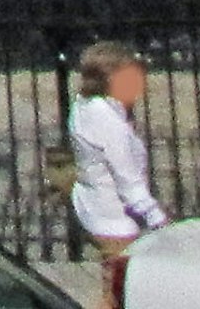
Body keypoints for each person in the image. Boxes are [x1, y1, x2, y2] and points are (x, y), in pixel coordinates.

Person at [68, 43, 167, 309]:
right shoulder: (107, 121)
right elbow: (128, 181)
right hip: (116, 222)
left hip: (95, 211)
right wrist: (159, 220)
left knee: (115, 294)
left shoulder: (85, 107)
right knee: (117, 298)